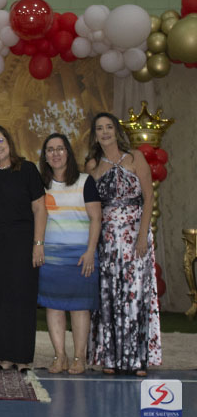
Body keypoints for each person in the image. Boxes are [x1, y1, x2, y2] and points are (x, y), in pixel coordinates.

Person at [85, 112, 162, 376]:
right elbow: (92, 208)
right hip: (107, 240)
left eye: (109, 127)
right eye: (99, 128)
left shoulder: (135, 158)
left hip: (135, 237)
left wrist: (142, 236)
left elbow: (149, 198)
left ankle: (137, 359)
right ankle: (110, 358)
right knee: (109, 296)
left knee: (135, 295)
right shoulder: (92, 165)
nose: (105, 132)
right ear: (95, 134)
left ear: (117, 131)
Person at [0, 125, 46, 372]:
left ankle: (22, 356)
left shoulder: (27, 170)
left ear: (9, 142)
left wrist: (38, 244)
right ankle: (2, 356)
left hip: (23, 245)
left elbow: (40, 209)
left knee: (22, 299)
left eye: (0, 141)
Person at [37, 133, 101, 375]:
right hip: (51, 257)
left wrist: (90, 251)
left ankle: (79, 357)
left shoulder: (85, 181)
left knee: (79, 307)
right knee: (53, 307)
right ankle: (60, 356)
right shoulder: (41, 184)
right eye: (50, 149)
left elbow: (96, 219)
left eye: (60, 149)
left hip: (81, 256)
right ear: (45, 156)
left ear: (68, 153)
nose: (55, 154)